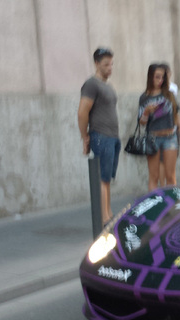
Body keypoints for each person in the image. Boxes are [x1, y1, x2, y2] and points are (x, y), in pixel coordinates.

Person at [77, 47, 120, 226]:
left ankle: (108, 213)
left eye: (111, 64)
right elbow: (82, 112)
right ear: (96, 64)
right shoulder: (91, 84)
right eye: (106, 65)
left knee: (107, 178)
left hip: (112, 136)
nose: (110, 68)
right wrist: (85, 137)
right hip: (101, 136)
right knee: (102, 178)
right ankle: (104, 218)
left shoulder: (107, 86)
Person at [138, 64, 180, 190]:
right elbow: (141, 123)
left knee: (170, 176)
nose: (160, 81)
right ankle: (155, 206)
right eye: (157, 77)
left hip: (170, 137)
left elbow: (176, 116)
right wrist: (146, 112)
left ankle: (171, 206)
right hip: (153, 138)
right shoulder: (145, 97)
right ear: (150, 77)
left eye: (163, 78)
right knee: (154, 177)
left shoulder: (170, 95)